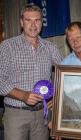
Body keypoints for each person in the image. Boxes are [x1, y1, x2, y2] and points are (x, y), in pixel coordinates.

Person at [0, 4, 63, 140]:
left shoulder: (51, 48)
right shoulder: (7, 46)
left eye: (37, 20)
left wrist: (56, 100)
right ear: (22, 22)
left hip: (43, 114)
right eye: (28, 20)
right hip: (16, 114)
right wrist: (22, 95)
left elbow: (65, 76)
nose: (33, 25)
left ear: (42, 22)